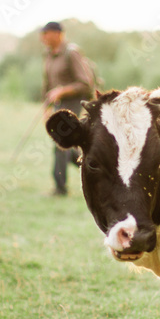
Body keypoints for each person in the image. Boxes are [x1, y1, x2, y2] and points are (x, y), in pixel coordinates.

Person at [41, 21, 94, 196]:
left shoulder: (72, 53)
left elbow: (85, 84)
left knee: (60, 143)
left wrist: (62, 91)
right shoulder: (49, 55)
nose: (43, 37)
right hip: (57, 104)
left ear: (57, 34)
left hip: (73, 103)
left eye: (46, 33)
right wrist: (46, 109)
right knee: (67, 145)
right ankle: (93, 167)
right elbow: (47, 85)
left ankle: (60, 187)